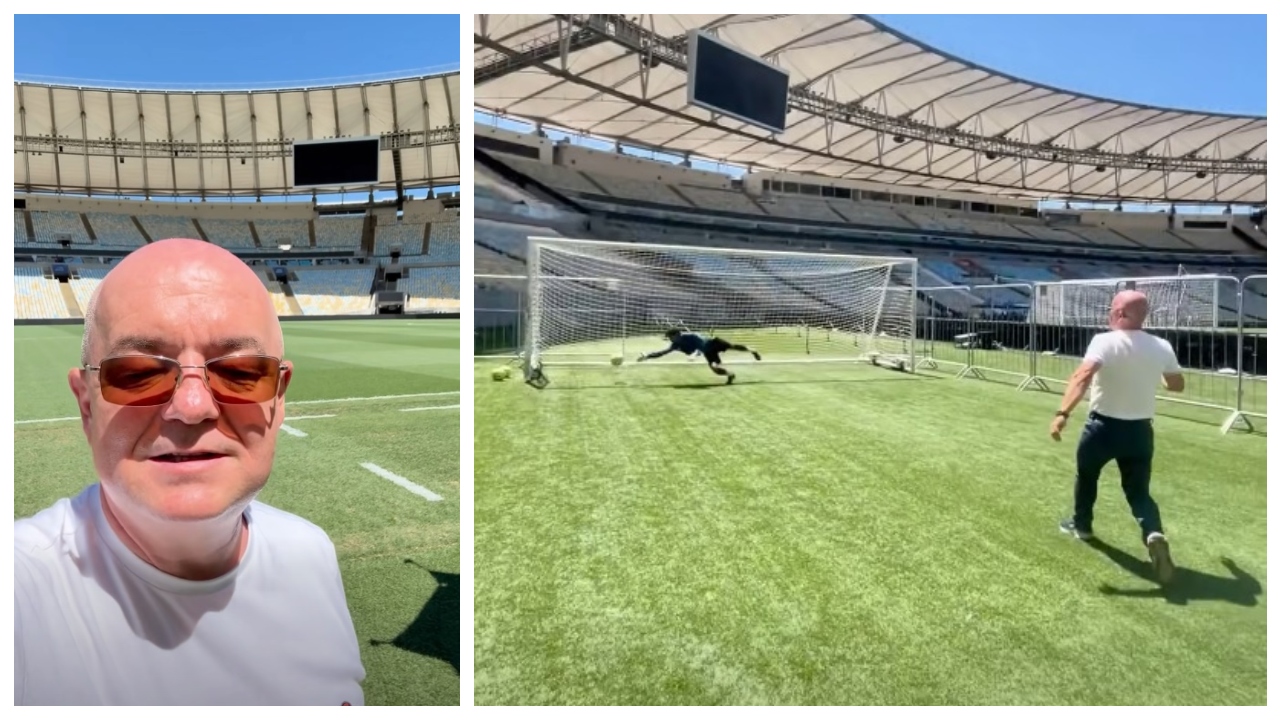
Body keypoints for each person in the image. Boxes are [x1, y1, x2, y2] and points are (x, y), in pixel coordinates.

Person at [14, 239, 366, 705]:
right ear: (86, 404)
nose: (192, 406)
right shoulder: (19, 593)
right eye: (137, 373)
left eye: (241, 372)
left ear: (279, 400)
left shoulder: (312, 552)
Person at [1049, 290, 1184, 585]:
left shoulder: (1104, 341)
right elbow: (1177, 385)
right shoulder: (1161, 346)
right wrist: (1154, 372)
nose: (1109, 315)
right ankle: (1153, 532)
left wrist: (1062, 413)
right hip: (1139, 431)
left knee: (1087, 475)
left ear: (1120, 314)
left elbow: (1082, 376)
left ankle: (1082, 525)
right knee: (1138, 492)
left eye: (1111, 310)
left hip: (1102, 427)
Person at [636, 328, 761, 384]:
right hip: (708, 352)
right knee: (715, 369)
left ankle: (752, 350)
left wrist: (695, 354)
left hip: (713, 343)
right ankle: (731, 375)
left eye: (670, 337)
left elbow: (701, 346)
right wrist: (647, 356)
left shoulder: (692, 336)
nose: (669, 339)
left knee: (732, 346)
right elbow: (662, 353)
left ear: (677, 335)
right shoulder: (675, 345)